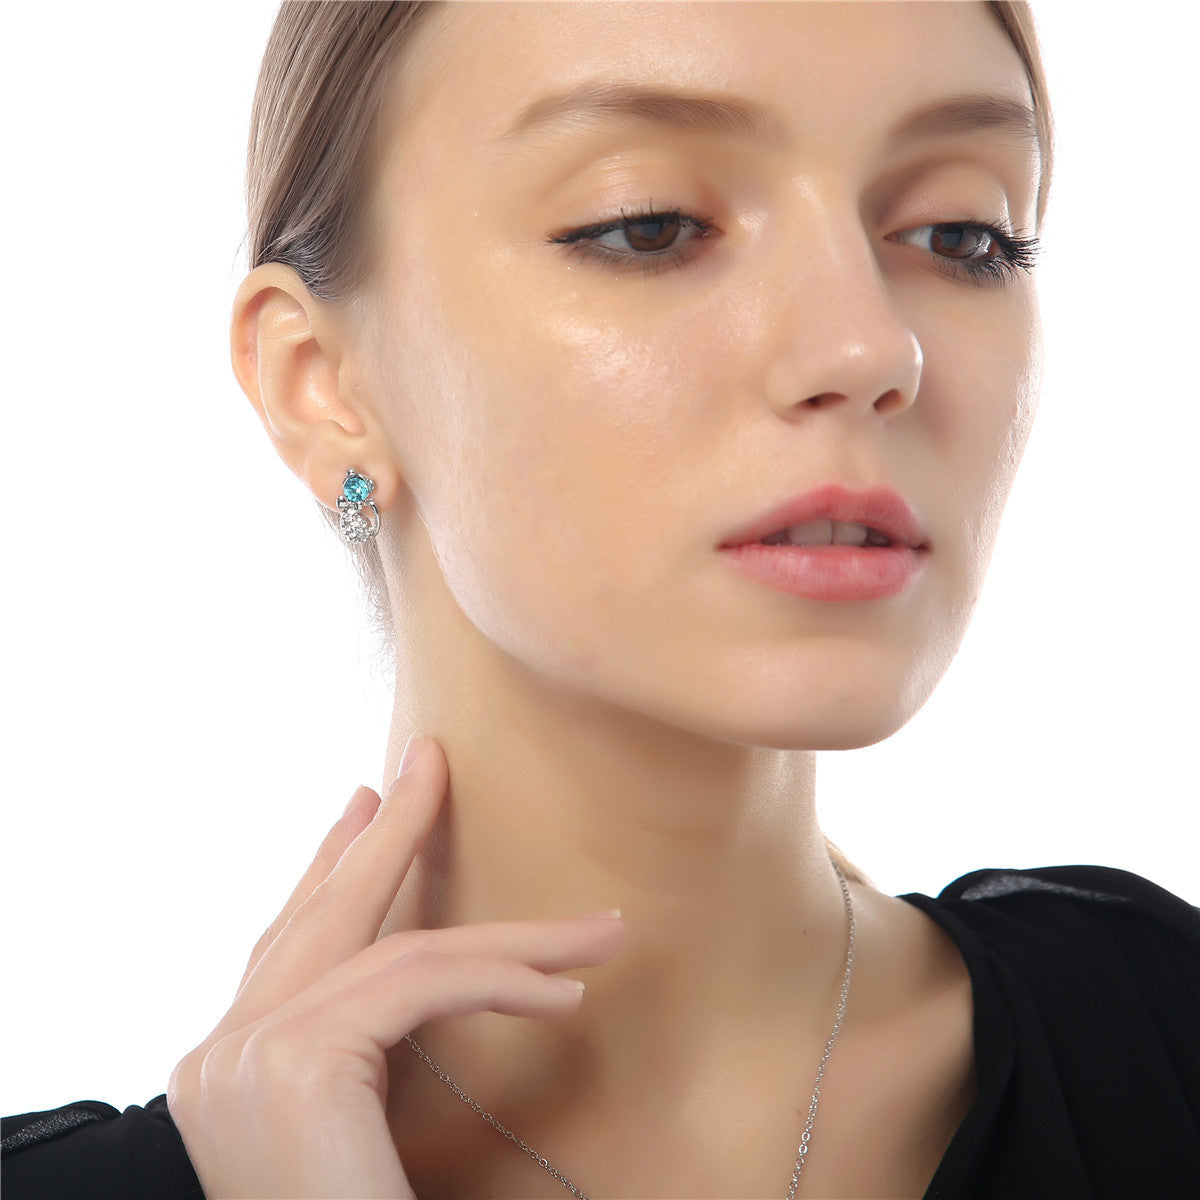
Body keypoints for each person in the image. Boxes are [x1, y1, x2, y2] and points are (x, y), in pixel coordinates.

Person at [4, 2, 1197, 1198]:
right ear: (322, 385)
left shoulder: (1163, 1037)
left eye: (961, 235)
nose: (869, 348)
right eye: (649, 225)